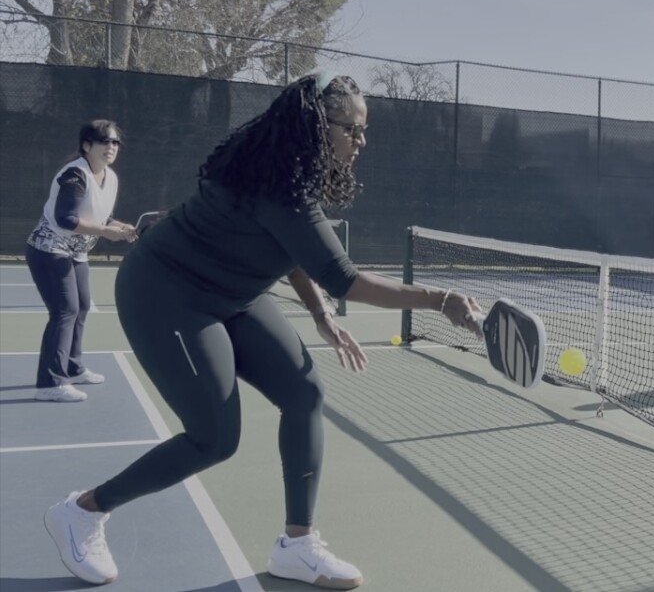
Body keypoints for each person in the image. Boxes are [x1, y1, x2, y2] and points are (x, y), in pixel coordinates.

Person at [42, 73, 484, 589]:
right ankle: (83, 512)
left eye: (364, 131)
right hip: (167, 295)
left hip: (232, 294)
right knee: (214, 438)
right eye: (352, 130)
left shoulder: (289, 175)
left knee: (303, 392)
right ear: (320, 127)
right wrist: (441, 299)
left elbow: (293, 252)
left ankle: (297, 547)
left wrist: (318, 314)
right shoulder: (282, 187)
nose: (360, 141)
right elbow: (344, 277)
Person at [26, 120, 137, 402]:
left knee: (82, 307)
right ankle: (50, 383)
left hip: (77, 251)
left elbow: (98, 216)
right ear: (87, 146)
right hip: (49, 247)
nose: (111, 147)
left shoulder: (110, 177)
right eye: (104, 141)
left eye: (115, 143)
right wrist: (105, 232)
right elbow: (66, 219)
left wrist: (119, 226)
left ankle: (73, 367)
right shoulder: (75, 175)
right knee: (65, 310)